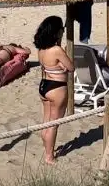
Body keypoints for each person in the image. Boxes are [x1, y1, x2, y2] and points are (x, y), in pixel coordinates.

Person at [34, 16, 74, 164]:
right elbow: (71, 67)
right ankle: (49, 156)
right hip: (57, 88)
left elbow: (50, 66)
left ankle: (47, 150)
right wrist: (63, 65)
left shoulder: (41, 49)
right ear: (57, 32)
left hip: (44, 85)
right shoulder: (57, 50)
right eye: (61, 30)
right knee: (53, 124)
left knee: (46, 121)